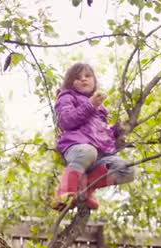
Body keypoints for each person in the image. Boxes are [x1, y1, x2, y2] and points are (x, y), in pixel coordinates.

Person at [51, 63, 135, 210]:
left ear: (94, 81)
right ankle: (63, 192)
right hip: (77, 148)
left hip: (99, 153)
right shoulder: (67, 97)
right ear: (70, 83)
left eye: (87, 76)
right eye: (77, 78)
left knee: (127, 170)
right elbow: (66, 121)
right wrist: (90, 105)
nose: (84, 79)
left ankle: (84, 189)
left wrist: (117, 130)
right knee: (88, 151)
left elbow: (101, 131)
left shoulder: (101, 108)